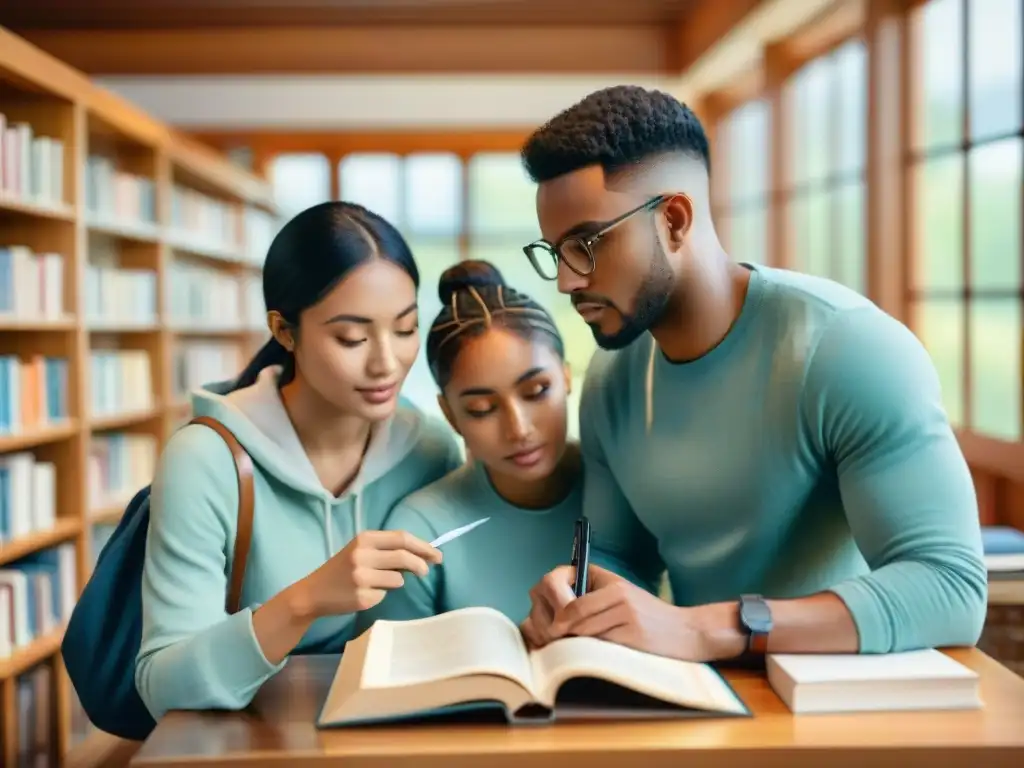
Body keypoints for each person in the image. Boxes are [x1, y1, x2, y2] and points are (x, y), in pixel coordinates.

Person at [516, 85, 987, 661]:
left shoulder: (847, 347)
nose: (566, 281)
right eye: (554, 252)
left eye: (585, 244)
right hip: (696, 703)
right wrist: (578, 596)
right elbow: (620, 556)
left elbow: (951, 589)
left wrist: (701, 629)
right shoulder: (612, 378)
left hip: (845, 707)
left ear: (674, 220)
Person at [135, 201, 463, 721]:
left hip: (391, 737)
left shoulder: (432, 450)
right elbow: (163, 687)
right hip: (245, 744)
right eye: (351, 337)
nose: (386, 362)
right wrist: (307, 599)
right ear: (285, 332)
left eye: (405, 329)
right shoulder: (206, 458)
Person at [353, 259, 583, 629]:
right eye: (481, 409)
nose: (519, 429)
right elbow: (384, 675)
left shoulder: (624, 486)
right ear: (450, 414)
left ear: (567, 376)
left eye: (537, 391)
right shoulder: (421, 534)